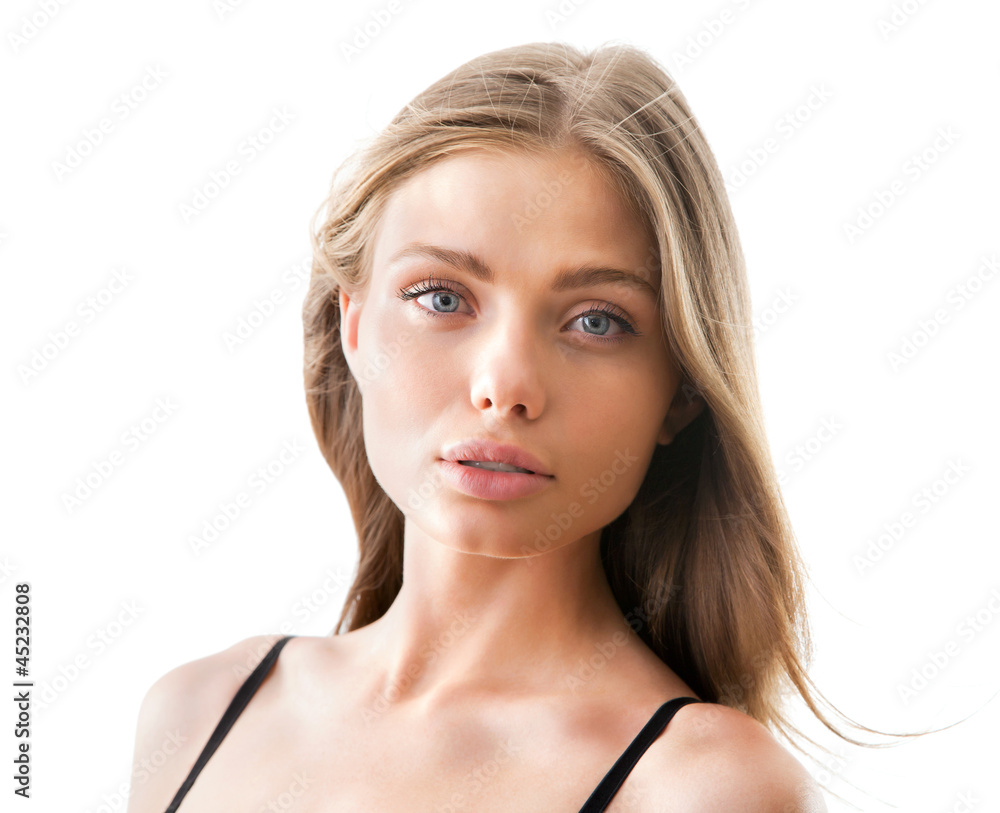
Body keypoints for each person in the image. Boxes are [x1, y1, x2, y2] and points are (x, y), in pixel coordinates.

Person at [126, 41, 908, 812]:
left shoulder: (700, 787)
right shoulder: (196, 714)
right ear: (353, 323)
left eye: (596, 320)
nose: (505, 387)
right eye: (441, 298)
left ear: (681, 393)